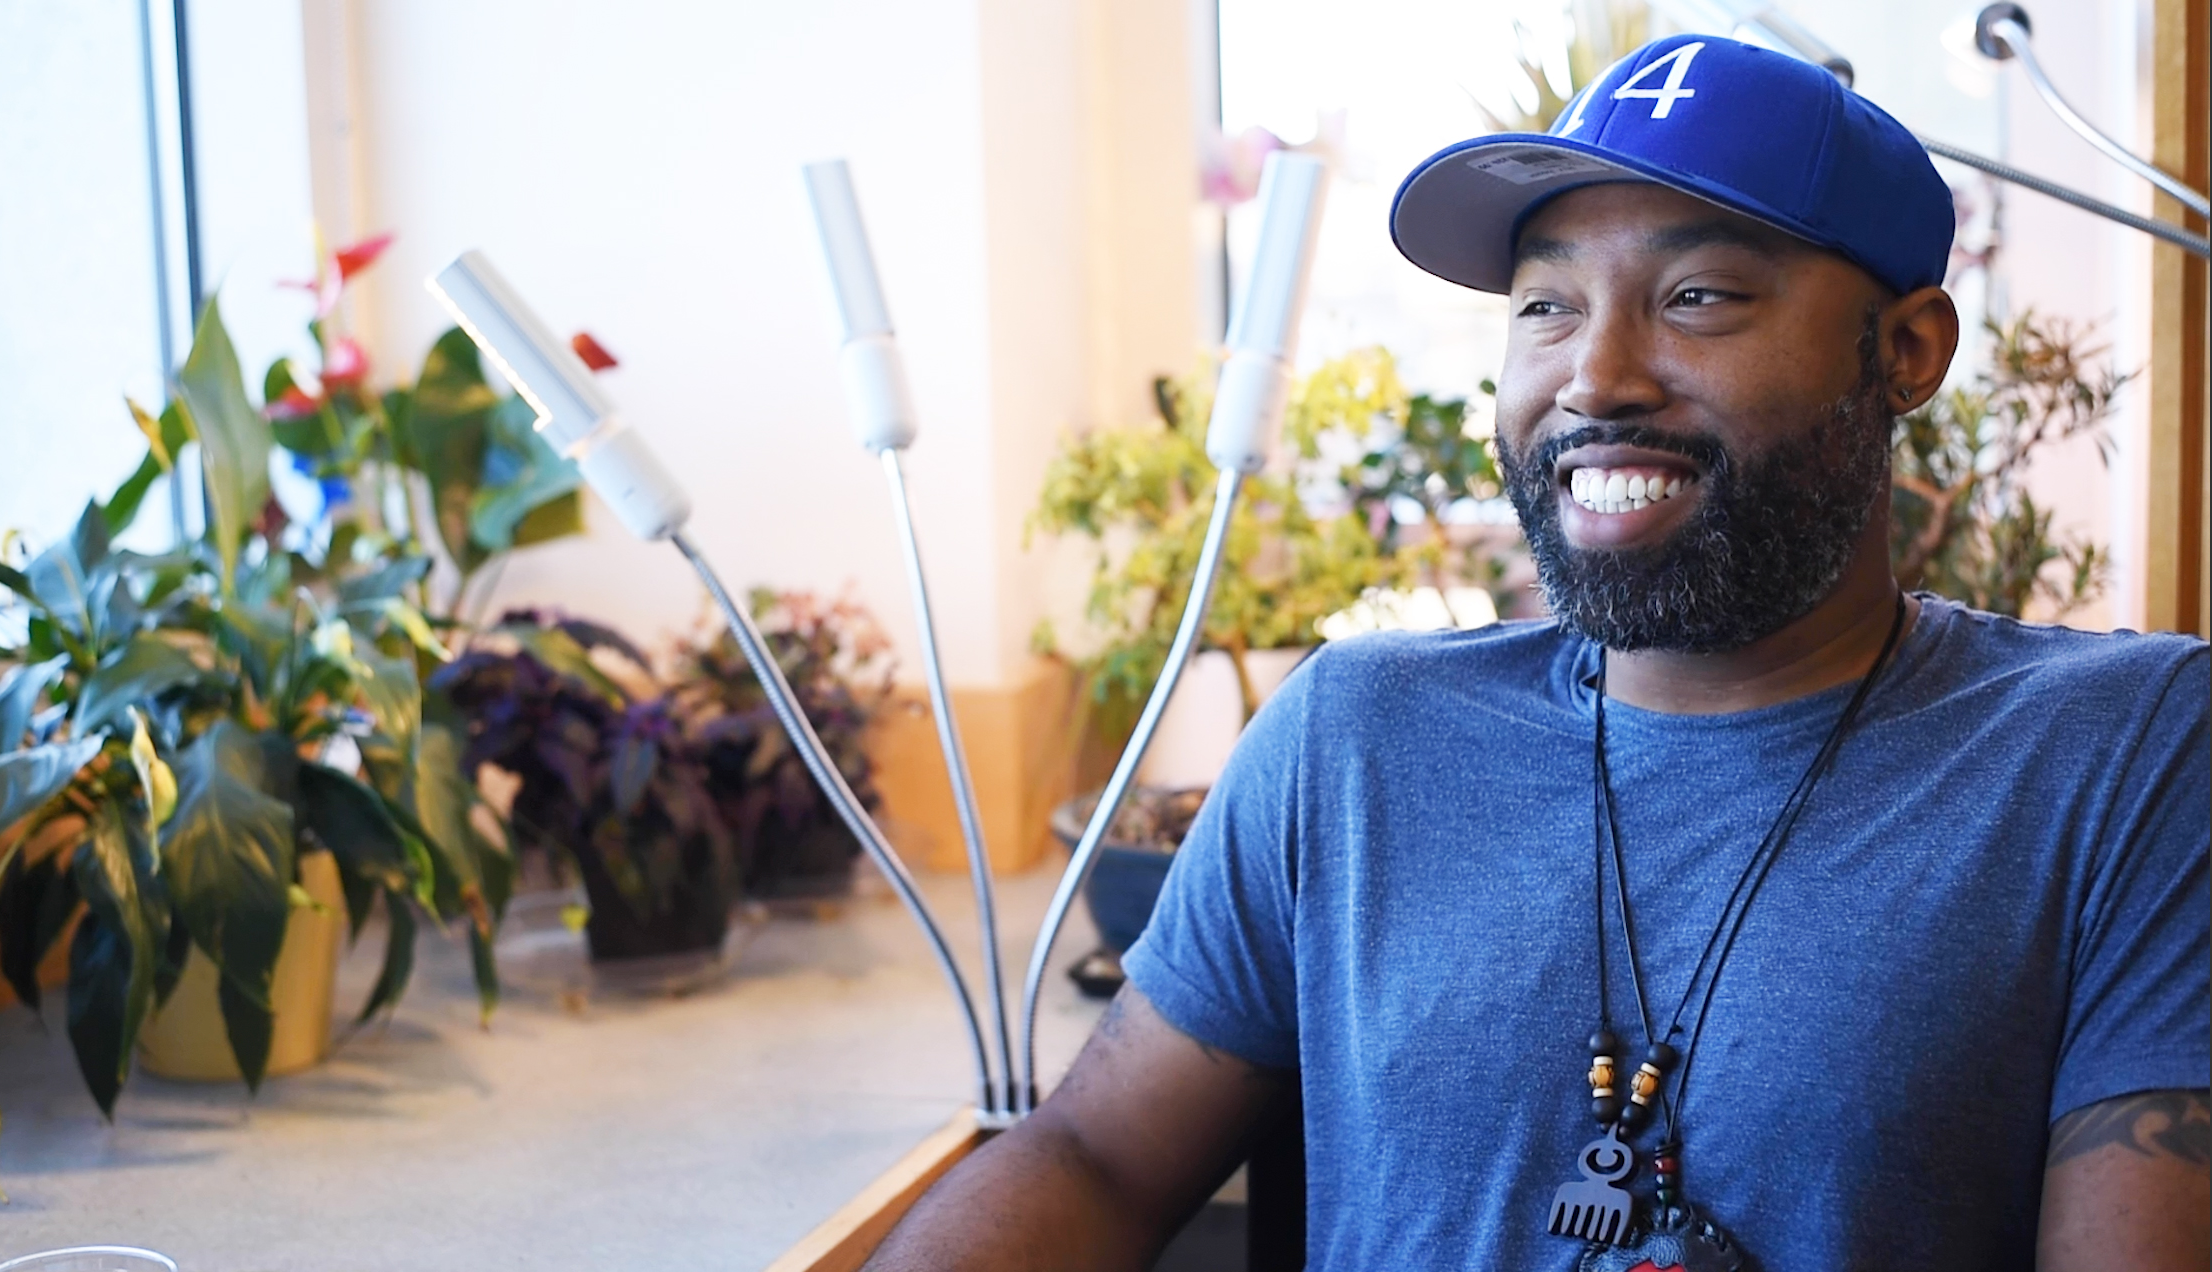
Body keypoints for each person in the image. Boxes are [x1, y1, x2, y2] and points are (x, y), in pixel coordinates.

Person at [865, 34, 2209, 1271]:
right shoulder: (1350, 738)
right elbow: (1093, 1157)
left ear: (1904, 350)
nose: (1593, 376)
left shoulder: (2121, 754)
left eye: (1696, 297)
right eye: (1543, 307)